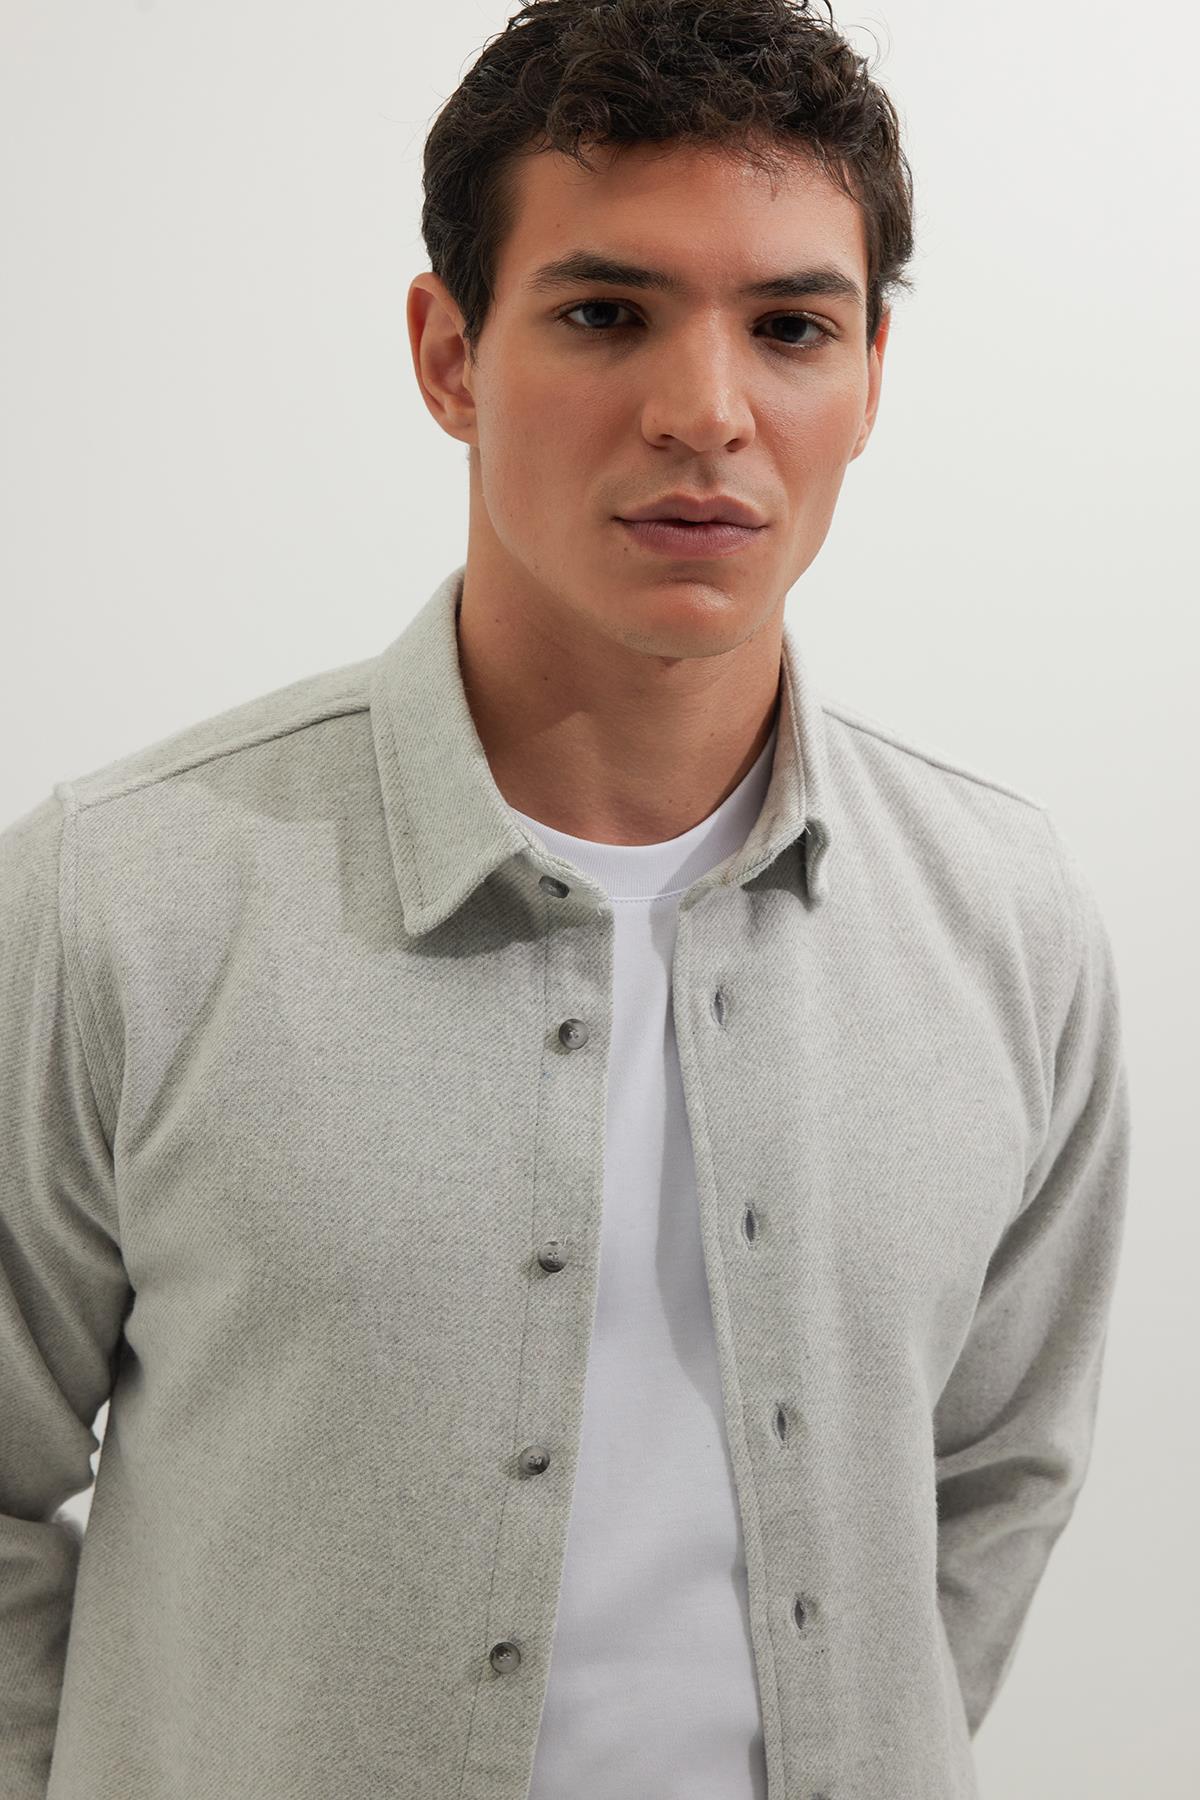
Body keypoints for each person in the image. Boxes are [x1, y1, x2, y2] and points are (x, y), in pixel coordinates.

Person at [0, 3, 1130, 1797]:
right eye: (607, 313)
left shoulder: (1007, 920)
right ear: (450, 354)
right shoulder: (122, 897)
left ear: (872, 377)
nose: (707, 412)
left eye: (791, 327)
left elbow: (994, 1483)